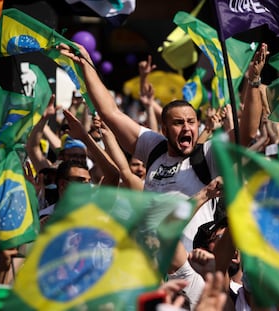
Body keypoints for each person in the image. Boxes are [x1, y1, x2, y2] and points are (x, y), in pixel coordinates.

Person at [58, 42, 225, 251]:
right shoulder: (154, 147)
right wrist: (86, 64)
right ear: (164, 129)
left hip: (192, 269)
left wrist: (253, 84)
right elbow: (111, 113)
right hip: (151, 268)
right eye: (178, 123)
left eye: (191, 122)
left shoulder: (206, 154)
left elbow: (244, 135)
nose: (187, 127)